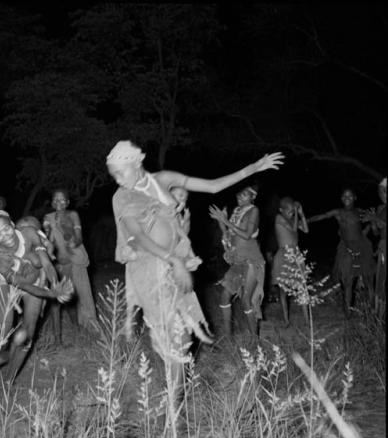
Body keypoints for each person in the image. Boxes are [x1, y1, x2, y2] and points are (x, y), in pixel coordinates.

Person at [107, 140, 283, 407]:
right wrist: (168, 259)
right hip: (149, 267)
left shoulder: (164, 179)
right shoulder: (122, 196)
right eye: (113, 175)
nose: (117, 179)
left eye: (121, 172)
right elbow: (137, 237)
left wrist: (253, 168)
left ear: (136, 164)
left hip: (174, 265)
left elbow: (212, 186)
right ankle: (166, 401)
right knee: (173, 338)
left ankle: (171, 400)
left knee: (182, 340)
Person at [0, 210, 73, 383]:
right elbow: (23, 285)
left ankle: (9, 379)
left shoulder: (29, 233)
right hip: (7, 284)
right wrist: (51, 294)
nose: (4, 235)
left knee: (26, 334)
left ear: (13, 225)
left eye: (6, 229)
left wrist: (55, 285)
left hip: (35, 279)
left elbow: (46, 263)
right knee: (4, 327)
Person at [209, 185, 266, 338]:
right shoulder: (236, 212)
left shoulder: (254, 211)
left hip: (251, 261)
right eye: (239, 194)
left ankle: (256, 341)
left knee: (246, 300)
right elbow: (228, 237)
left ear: (252, 198)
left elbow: (247, 235)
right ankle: (228, 338)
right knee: (225, 296)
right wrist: (222, 223)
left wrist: (225, 221)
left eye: (245, 195)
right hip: (238, 262)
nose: (240, 197)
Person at [308, 188, 375, 316]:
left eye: (350, 196)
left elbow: (372, 222)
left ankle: (373, 313)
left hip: (362, 248)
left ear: (355, 197)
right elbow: (322, 216)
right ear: (341, 198)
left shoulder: (360, 211)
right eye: (344, 196)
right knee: (347, 281)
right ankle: (347, 313)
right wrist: (305, 221)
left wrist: (368, 227)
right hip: (346, 248)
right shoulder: (338, 212)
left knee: (368, 281)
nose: (347, 198)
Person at [43, 188, 98, 330]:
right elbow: (49, 239)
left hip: (76, 258)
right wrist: (49, 251)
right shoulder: (48, 217)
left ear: (67, 202)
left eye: (62, 199)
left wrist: (71, 239)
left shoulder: (73, 214)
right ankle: (76, 324)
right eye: (55, 199)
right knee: (67, 293)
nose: (58, 202)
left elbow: (79, 237)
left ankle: (91, 325)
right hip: (61, 262)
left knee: (83, 292)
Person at [272, 196, 309, 327]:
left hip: (296, 254)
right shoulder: (279, 218)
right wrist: (296, 217)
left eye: (292, 211)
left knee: (302, 288)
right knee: (283, 290)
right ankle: (286, 320)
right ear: (280, 210)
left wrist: (301, 214)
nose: (291, 213)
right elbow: (293, 230)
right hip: (283, 255)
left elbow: (306, 230)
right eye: (288, 210)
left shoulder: (292, 219)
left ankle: (306, 321)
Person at [360, 177, 386, 320]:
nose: (382, 194)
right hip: (383, 245)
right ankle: (378, 316)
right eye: (380, 191)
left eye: (385, 191)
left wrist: (375, 219)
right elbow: (377, 232)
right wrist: (373, 222)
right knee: (380, 281)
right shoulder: (380, 208)